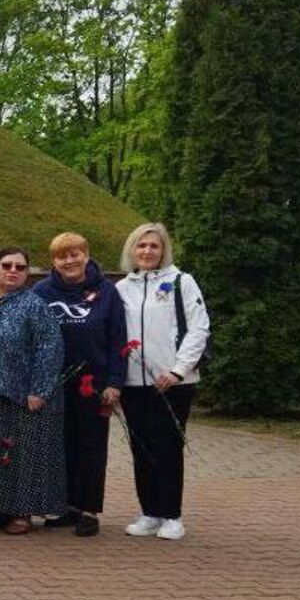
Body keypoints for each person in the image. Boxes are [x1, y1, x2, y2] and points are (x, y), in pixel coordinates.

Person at [0, 248, 66, 534]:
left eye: (20, 267)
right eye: (7, 265)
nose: (13, 270)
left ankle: (23, 513)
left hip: (19, 395)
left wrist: (39, 390)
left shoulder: (34, 306)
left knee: (22, 453)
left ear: (27, 273)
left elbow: (50, 349)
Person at [116, 222, 210, 541]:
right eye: (142, 246)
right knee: (141, 449)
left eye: (154, 246)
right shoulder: (121, 288)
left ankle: (172, 514)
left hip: (172, 382)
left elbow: (198, 329)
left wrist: (178, 370)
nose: (147, 251)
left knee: (168, 447)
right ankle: (149, 511)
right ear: (132, 249)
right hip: (133, 383)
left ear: (163, 250)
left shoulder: (182, 282)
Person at [33, 232, 127, 536]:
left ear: (86, 255)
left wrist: (115, 382)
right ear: (53, 262)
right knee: (60, 445)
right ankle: (66, 506)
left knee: (91, 445)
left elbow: (117, 339)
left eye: (75, 254)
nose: (69, 260)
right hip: (55, 382)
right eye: (62, 256)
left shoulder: (107, 292)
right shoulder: (42, 291)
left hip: (93, 383)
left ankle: (88, 509)